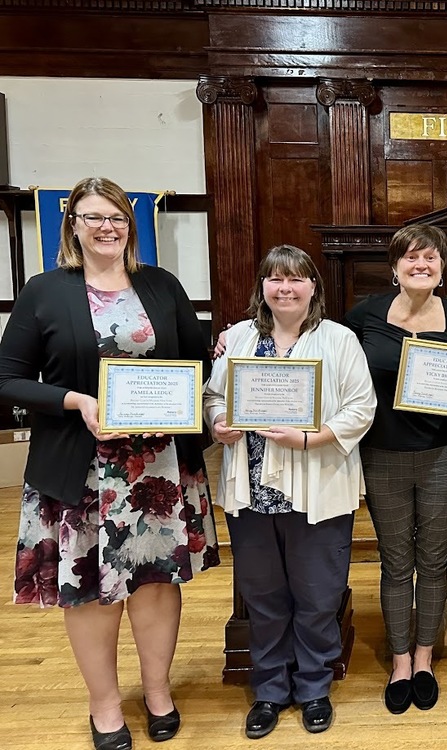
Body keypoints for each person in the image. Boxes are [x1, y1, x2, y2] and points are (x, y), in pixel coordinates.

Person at [0, 177, 219, 750]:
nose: (106, 227)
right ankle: (104, 706)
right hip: (81, 468)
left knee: (155, 582)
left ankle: (157, 691)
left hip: (158, 466)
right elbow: (7, 378)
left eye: (117, 217)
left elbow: (197, 357)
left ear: (131, 224)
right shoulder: (45, 291)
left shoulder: (161, 284)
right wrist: (76, 401)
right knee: (92, 590)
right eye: (93, 217)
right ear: (72, 223)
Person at [204, 245, 375, 740]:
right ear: (262, 287)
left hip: (317, 486)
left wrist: (309, 437)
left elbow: (361, 408)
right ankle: (270, 690)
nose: (285, 288)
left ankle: (315, 686)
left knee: (317, 593)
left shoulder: (339, 340)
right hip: (251, 490)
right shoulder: (236, 338)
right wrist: (219, 423)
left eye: (296, 280)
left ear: (312, 287)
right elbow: (215, 395)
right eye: (276, 279)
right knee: (263, 595)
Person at [344, 224, 447, 714]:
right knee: (395, 561)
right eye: (411, 258)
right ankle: (399, 660)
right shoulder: (364, 315)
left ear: (442, 269)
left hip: (444, 454)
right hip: (382, 453)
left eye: (430, 259)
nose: (421, 265)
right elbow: (329, 357)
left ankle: (424, 658)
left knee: (434, 559)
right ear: (395, 267)